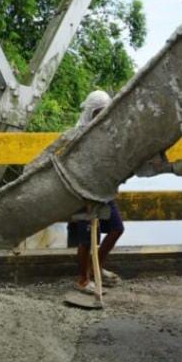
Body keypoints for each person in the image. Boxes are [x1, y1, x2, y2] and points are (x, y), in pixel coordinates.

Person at [67, 91, 125, 294]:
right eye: (99, 112)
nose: (102, 116)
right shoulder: (78, 136)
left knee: (116, 228)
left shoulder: (106, 132)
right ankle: (83, 279)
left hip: (103, 190)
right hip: (84, 193)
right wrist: (85, 196)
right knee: (86, 238)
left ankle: (96, 268)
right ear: (91, 112)